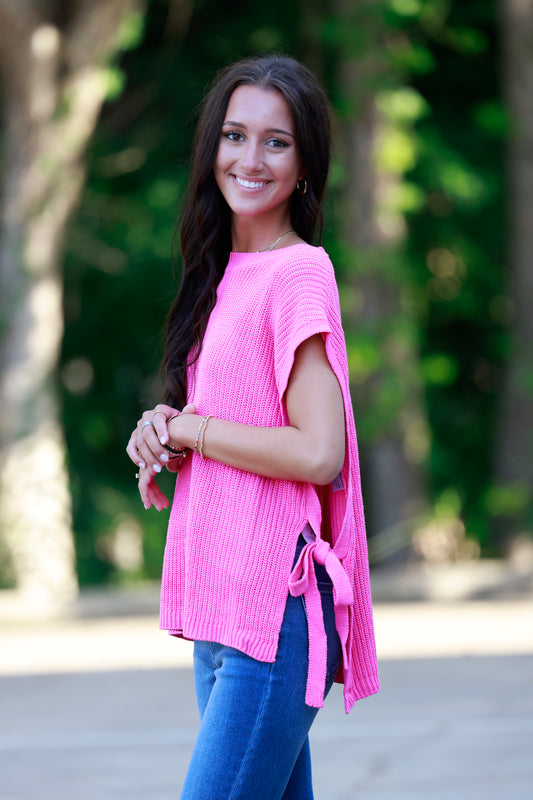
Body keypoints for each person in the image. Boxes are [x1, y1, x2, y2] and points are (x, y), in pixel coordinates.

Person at [126, 54, 379, 800]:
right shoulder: (220, 271)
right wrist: (165, 432)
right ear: (212, 148)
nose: (250, 158)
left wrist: (195, 430)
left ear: (304, 165)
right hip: (219, 610)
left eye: (277, 141)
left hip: (273, 614)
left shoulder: (297, 271)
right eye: (235, 135)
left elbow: (317, 449)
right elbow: (236, 423)